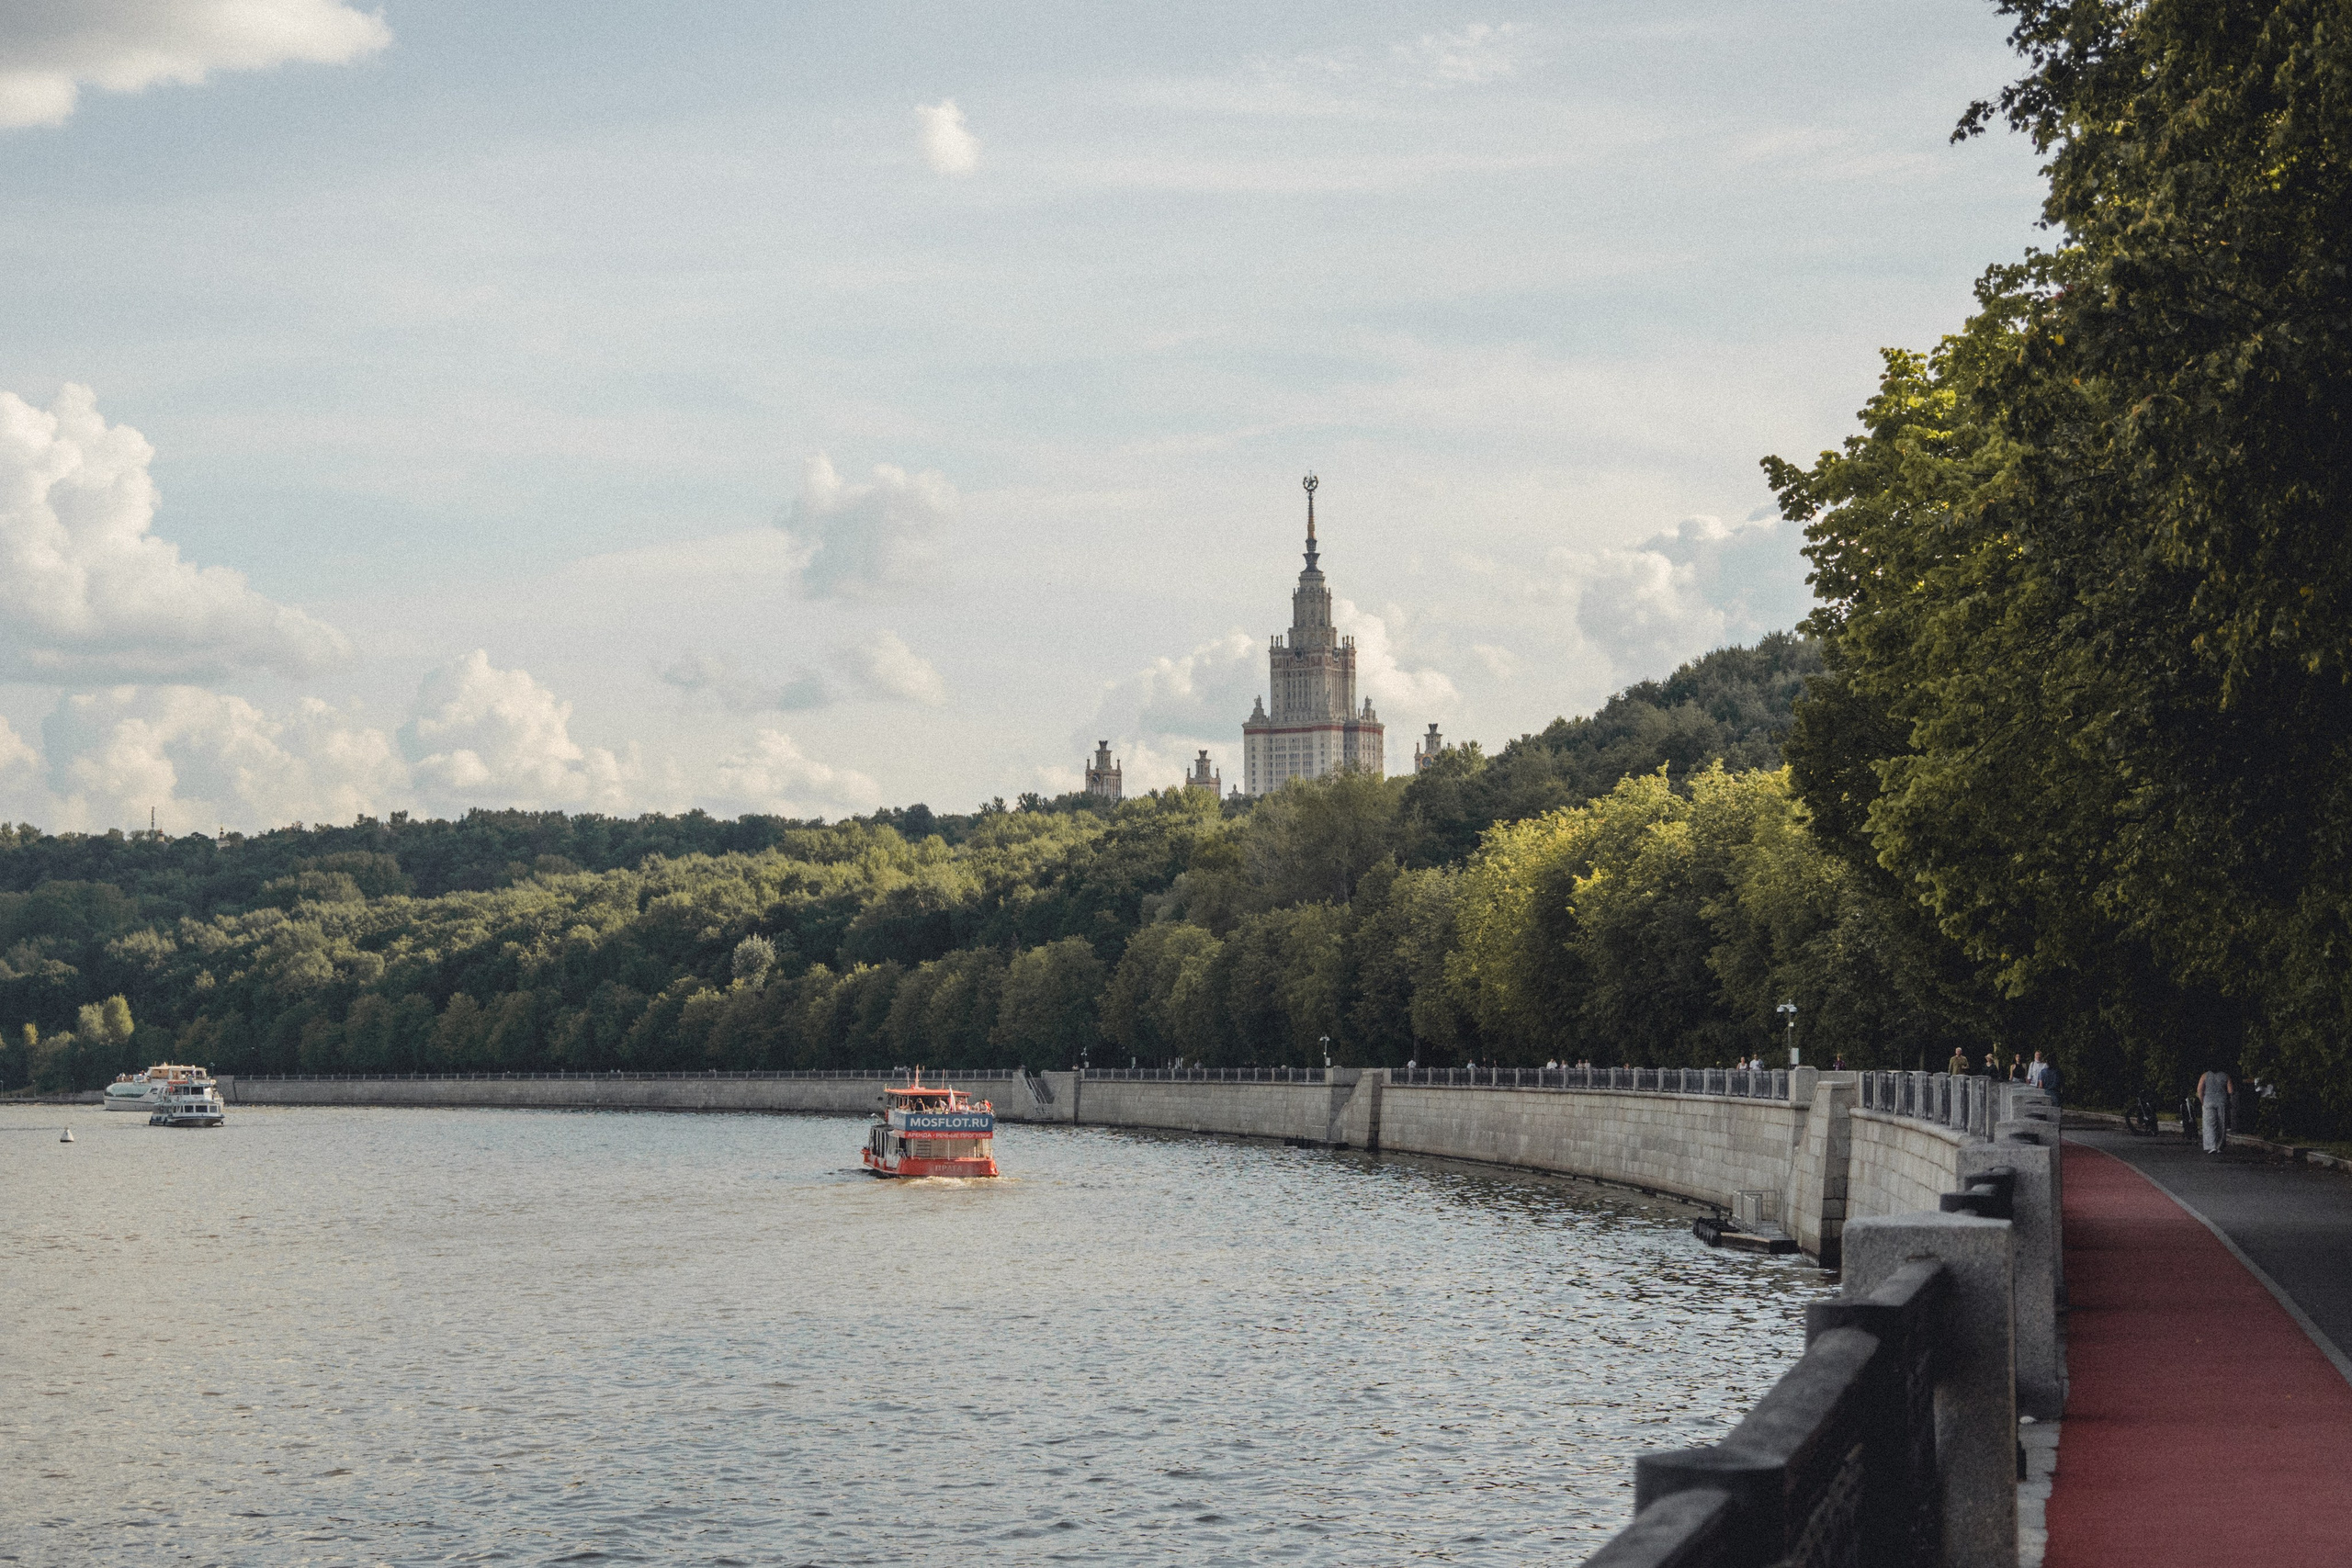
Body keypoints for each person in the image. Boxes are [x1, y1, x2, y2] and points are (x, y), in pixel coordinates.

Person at [2197, 1065, 2234, 1155]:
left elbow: (2199, 1089)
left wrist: (2202, 1101)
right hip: (2222, 1101)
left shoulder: (2204, 1076)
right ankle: (2219, 1146)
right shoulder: (2226, 1076)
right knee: (2222, 1123)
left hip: (2208, 1101)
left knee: (2209, 1124)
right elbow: (2230, 1091)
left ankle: (2211, 1146)